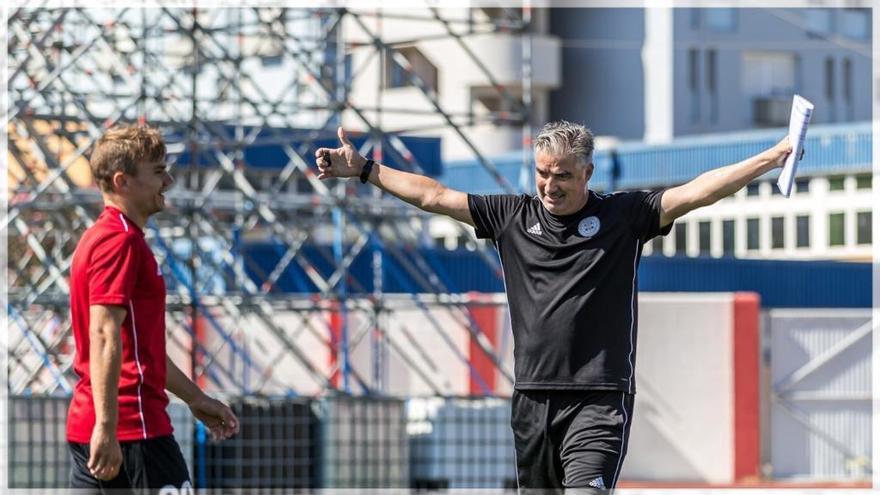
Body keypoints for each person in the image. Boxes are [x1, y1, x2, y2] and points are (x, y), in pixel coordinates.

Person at [316, 121, 793, 493]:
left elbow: (697, 192)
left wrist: (770, 158)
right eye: (543, 172)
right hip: (532, 398)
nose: (550, 184)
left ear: (587, 172)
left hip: (598, 398)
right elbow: (435, 195)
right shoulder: (511, 216)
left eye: (563, 175)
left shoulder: (623, 217)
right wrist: (363, 170)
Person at [67, 125, 239, 493]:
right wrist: (108, 427)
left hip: (100, 427)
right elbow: (104, 334)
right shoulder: (120, 241)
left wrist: (195, 398)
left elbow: (140, 352)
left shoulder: (100, 236)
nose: (170, 181)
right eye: (159, 172)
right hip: (133, 431)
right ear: (122, 181)